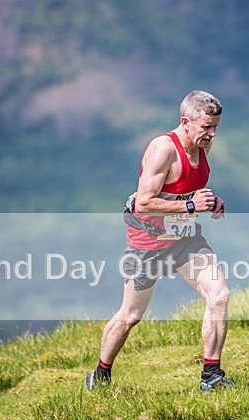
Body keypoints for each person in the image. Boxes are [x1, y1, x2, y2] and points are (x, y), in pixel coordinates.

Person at [85, 90, 234, 392]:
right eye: (206, 127)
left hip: (185, 240)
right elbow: (143, 202)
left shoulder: (201, 147)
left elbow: (184, 191)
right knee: (131, 316)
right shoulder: (163, 149)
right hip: (148, 245)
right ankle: (100, 374)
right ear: (186, 122)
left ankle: (211, 377)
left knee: (219, 295)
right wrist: (190, 206)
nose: (212, 133)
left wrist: (210, 201)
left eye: (216, 126)